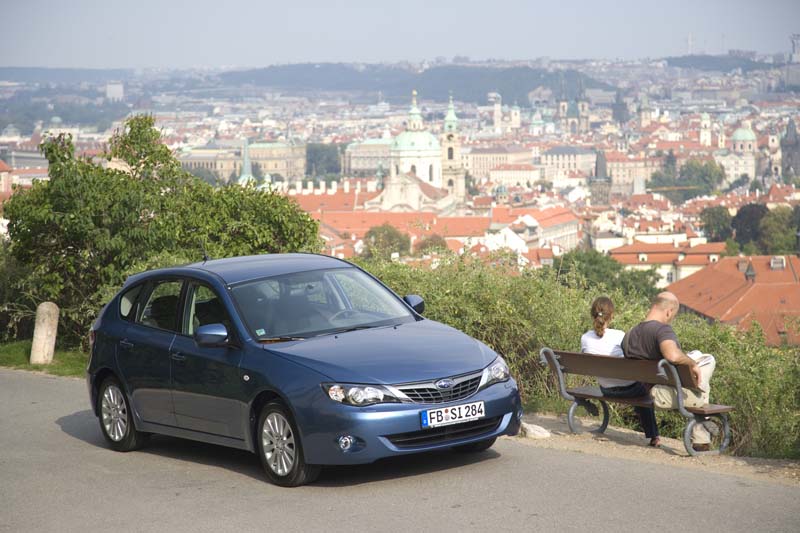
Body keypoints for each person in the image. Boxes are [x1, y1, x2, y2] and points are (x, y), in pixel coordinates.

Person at [622, 291, 716, 451]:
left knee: (701, 370)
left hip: (641, 392)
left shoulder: (629, 334)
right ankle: (701, 438)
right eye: (673, 315)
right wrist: (692, 363)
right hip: (660, 395)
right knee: (706, 374)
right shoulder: (662, 330)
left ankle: (702, 435)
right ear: (668, 311)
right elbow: (672, 355)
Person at [581, 296, 660, 447]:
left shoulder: (585, 338)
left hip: (606, 390)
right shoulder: (619, 335)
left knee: (640, 386)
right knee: (644, 388)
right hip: (631, 391)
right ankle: (653, 436)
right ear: (612, 315)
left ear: (592, 314)